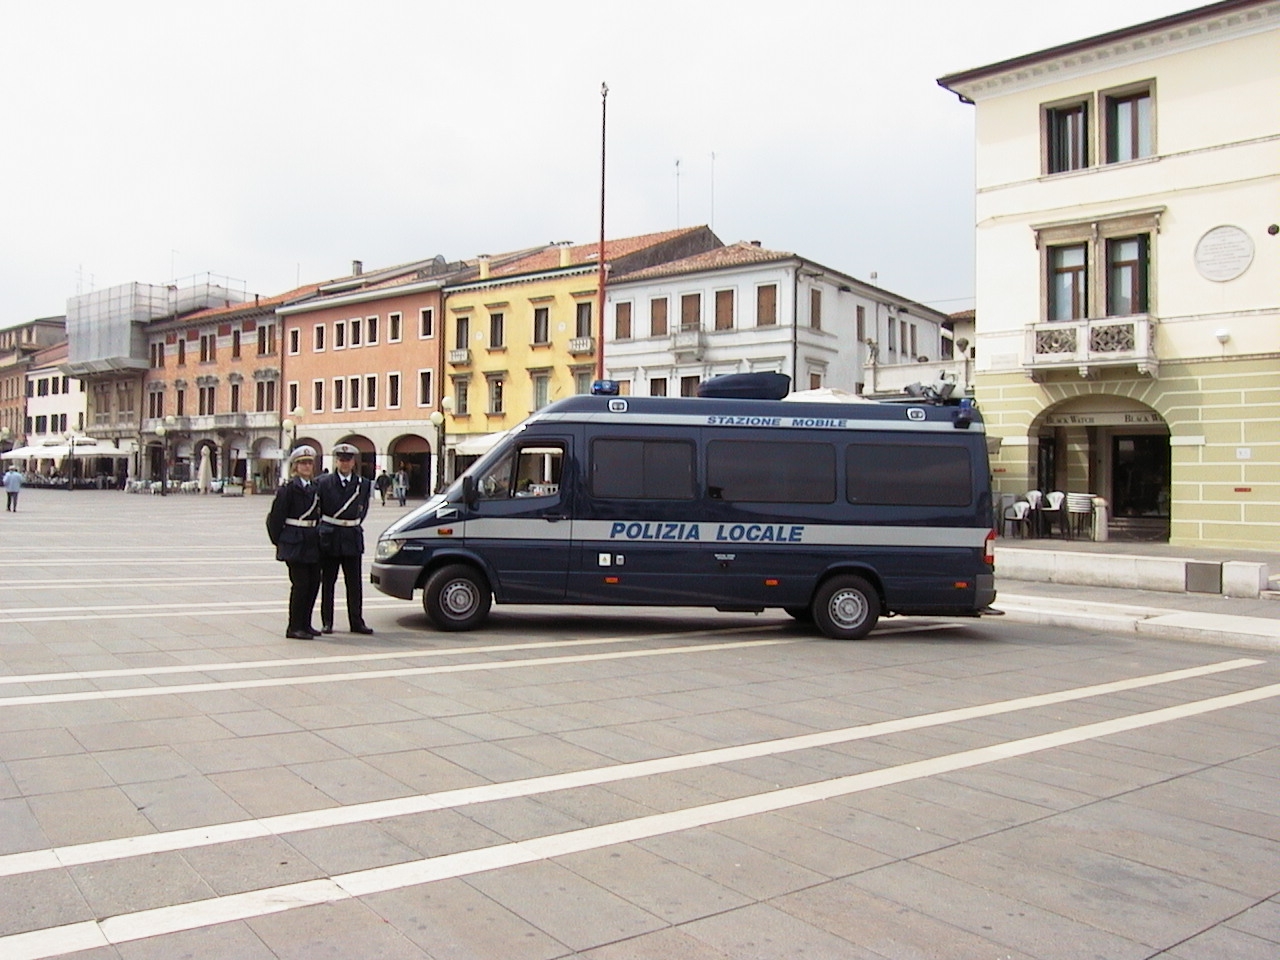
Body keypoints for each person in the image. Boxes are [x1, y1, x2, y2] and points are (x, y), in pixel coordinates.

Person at [265, 446, 323, 640]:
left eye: (309, 463)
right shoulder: (288, 490)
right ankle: (294, 626)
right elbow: (274, 519)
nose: (306, 466)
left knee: (314, 583)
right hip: (295, 541)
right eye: (302, 463)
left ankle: (306, 623)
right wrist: (281, 542)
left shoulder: (315, 488)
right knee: (300, 585)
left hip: (312, 541)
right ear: (295, 467)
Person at [317, 443, 374, 635]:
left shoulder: (362, 484)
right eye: (341, 459)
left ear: (353, 462)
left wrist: (351, 522)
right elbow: (319, 509)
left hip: (351, 536)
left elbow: (363, 509)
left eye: (348, 460)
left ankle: (356, 622)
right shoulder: (323, 482)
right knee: (328, 582)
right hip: (330, 537)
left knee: (354, 584)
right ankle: (327, 621)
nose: (344, 463)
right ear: (336, 461)